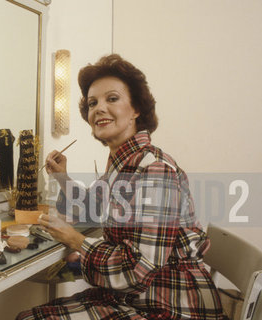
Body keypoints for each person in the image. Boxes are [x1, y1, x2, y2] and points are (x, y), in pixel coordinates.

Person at [16, 54, 225, 319]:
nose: (99, 109)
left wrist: (76, 240)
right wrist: (62, 178)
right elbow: (93, 208)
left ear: (136, 109)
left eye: (111, 99)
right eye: (93, 103)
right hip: (139, 296)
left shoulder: (154, 170)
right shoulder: (123, 165)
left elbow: (139, 270)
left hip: (171, 304)